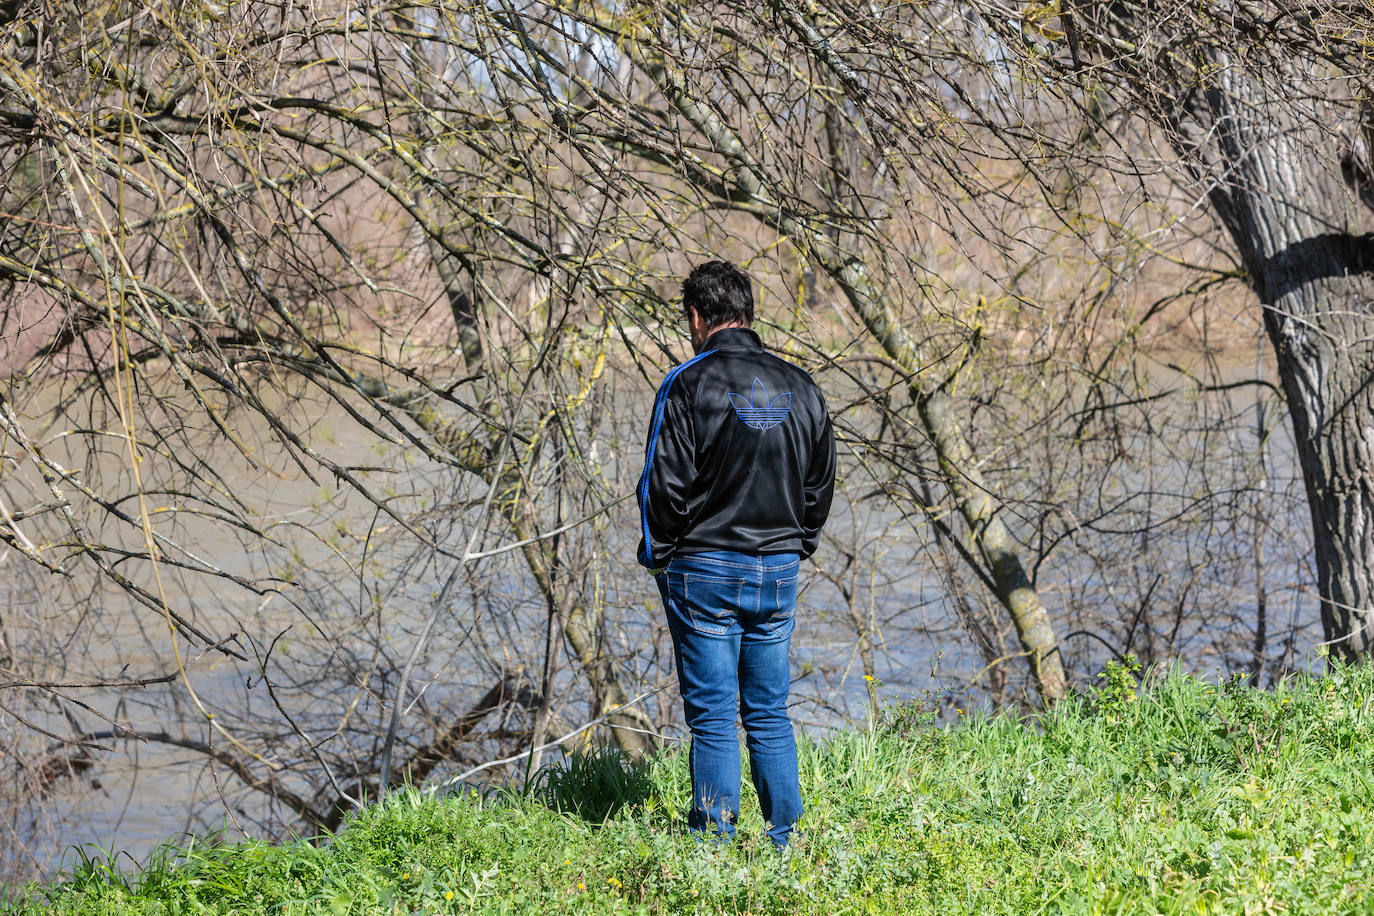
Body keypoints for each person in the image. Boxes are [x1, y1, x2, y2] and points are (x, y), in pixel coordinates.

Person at [637, 260, 836, 849]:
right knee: (770, 713)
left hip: (704, 569)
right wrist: (796, 544)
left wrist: (660, 555)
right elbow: (820, 485)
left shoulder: (685, 383)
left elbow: (661, 488)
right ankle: (787, 841)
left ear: (697, 318)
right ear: (747, 313)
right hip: (777, 570)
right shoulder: (803, 386)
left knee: (717, 717)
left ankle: (715, 848)